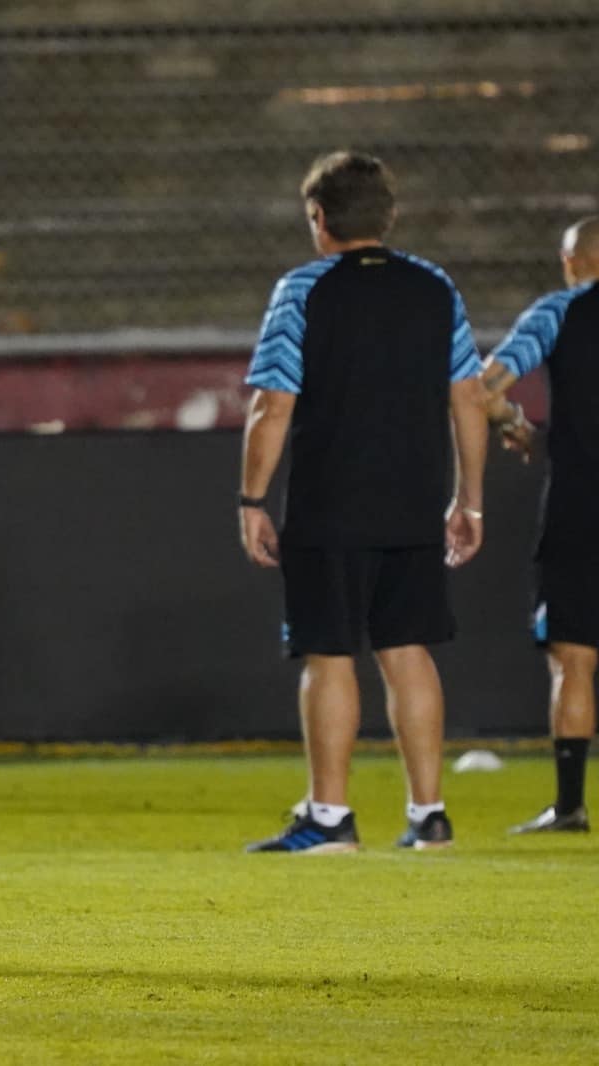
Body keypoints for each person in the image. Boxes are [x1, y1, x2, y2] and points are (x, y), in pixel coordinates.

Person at [237, 150, 488, 854]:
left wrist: (252, 498)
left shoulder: (303, 290)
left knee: (329, 655)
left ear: (319, 219)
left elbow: (271, 405)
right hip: (415, 503)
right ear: (389, 217)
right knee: (408, 651)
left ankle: (328, 819)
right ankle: (428, 815)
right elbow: (467, 397)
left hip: (330, 503)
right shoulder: (435, 287)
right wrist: (469, 500)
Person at [479, 217, 599, 834]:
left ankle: (572, 806)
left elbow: (483, 387)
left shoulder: (558, 313)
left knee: (573, 659)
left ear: (569, 259)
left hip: (581, 505)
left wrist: (511, 423)